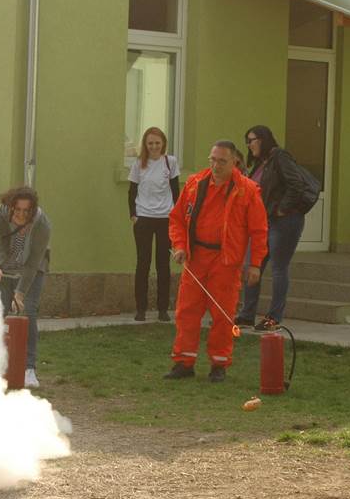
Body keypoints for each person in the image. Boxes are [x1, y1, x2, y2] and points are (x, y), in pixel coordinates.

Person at [165, 140, 267, 382]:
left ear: (235, 162)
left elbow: (259, 230)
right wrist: (180, 246)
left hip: (226, 262)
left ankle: (219, 364)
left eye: (222, 161)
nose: (216, 165)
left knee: (223, 315)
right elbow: (177, 219)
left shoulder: (247, 190)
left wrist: (255, 264)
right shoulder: (194, 184)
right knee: (186, 312)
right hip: (196, 258)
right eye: (213, 160)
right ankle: (184, 362)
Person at [0, 186, 51, 388]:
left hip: (29, 270)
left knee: (28, 312)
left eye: (27, 211)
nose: (22, 215)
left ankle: (28, 369)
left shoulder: (41, 224)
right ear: (9, 207)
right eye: (17, 210)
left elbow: (33, 263)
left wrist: (20, 293)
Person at [235, 125, 309, 332]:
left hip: (284, 222)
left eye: (252, 140)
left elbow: (296, 184)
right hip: (263, 222)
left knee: (278, 268)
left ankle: (274, 317)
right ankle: (247, 315)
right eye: (247, 141)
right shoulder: (261, 163)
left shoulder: (280, 157)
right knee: (252, 265)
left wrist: (282, 209)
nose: (249, 145)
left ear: (263, 139)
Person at [127, 126, 179, 322]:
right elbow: (132, 191)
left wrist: (177, 216)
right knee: (143, 262)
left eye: (157, 143)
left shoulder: (170, 162)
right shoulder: (138, 164)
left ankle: (162, 309)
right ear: (145, 144)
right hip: (143, 217)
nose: (154, 146)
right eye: (150, 143)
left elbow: (176, 190)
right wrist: (133, 215)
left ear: (163, 143)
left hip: (165, 218)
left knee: (163, 264)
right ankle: (141, 309)